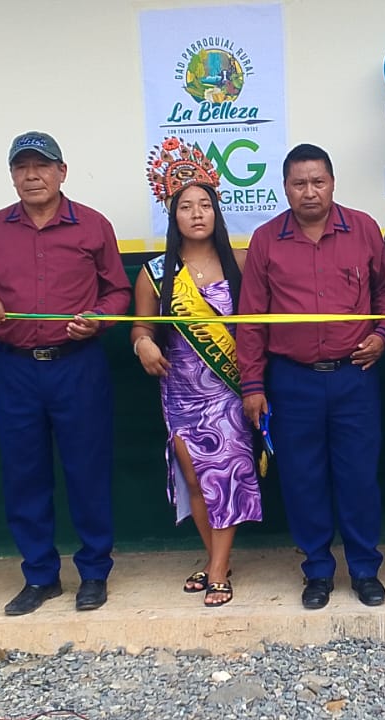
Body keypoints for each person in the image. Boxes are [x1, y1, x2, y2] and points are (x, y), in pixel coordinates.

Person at [0, 131, 131, 615]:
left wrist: (100, 317)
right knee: (24, 474)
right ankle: (40, 575)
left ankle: (94, 572)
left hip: (77, 365)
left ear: (62, 172)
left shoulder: (93, 225)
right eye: (22, 167)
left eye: (42, 166)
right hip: (15, 369)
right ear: (12, 175)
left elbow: (118, 292)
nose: (32, 176)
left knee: (87, 470)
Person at [237, 143, 385, 610]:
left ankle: (365, 569)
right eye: (299, 183)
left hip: (354, 377)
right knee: (302, 479)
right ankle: (318, 571)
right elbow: (251, 319)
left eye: (318, 182)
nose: (309, 192)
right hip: (292, 381)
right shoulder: (266, 240)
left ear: (332, 183)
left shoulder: (363, 229)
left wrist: (383, 335)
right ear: (285, 188)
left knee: (359, 477)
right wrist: (253, 385)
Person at [130, 156, 260, 609]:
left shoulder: (241, 263)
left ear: (216, 211)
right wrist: (143, 344)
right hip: (181, 392)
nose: (197, 214)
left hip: (229, 390)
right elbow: (141, 327)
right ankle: (215, 557)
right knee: (196, 479)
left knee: (226, 474)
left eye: (204, 205)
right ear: (174, 216)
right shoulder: (155, 273)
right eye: (186, 207)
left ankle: (218, 570)